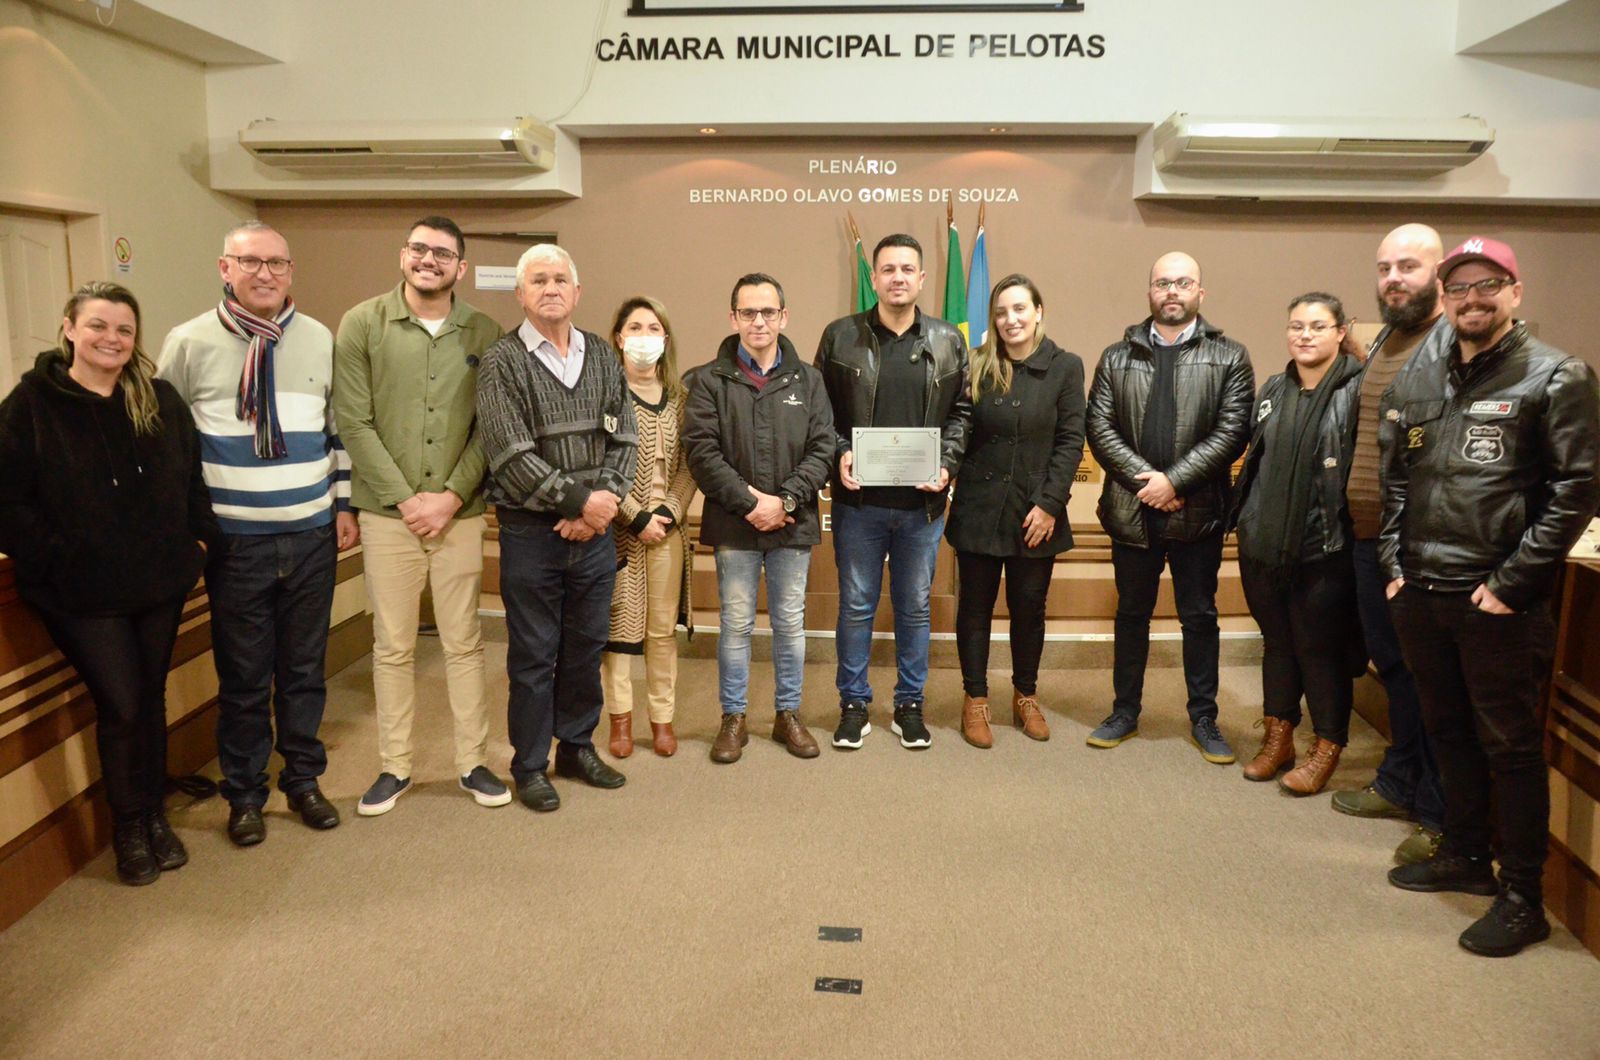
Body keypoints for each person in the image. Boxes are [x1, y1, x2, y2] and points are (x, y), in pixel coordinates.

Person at [1381, 237, 1600, 957]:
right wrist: (1395, 563)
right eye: (1460, 289)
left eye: (1488, 286)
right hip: (1424, 590)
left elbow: (1576, 492)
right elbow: (1398, 480)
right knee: (1449, 732)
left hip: (1496, 600)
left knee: (1509, 748)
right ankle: (1468, 856)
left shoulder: (1556, 376)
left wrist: (1510, 584)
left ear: (1515, 292)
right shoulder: (1423, 376)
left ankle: (1524, 897)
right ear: (1446, 297)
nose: (1472, 299)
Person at [0, 283, 219, 885]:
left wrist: (196, 547)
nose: (112, 339)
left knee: (148, 698)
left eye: (124, 330)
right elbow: (9, 502)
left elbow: (192, 481)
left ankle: (153, 817)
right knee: (122, 704)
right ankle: (128, 824)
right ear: (69, 328)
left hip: (158, 584)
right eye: (98, 326)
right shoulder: (31, 406)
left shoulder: (159, 400)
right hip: (80, 595)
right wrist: (57, 558)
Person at [158, 221, 356, 847]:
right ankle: (244, 794)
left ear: (291, 271)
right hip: (235, 541)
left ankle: (302, 780)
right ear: (225, 268)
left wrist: (344, 506)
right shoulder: (188, 342)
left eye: (276, 263)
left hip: (310, 535)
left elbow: (337, 430)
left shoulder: (320, 338)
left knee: (303, 671)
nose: (265, 274)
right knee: (243, 680)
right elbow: (167, 444)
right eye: (251, 263)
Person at [333, 216, 509, 817]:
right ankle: (395, 766)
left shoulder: (485, 332)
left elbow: (493, 427)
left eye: (442, 253)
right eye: (418, 248)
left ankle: (472, 762)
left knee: (465, 643)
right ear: (402, 255)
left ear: (460, 266)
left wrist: (452, 497)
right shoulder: (362, 324)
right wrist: (409, 502)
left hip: (459, 516)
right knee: (393, 646)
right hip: (388, 517)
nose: (428, 259)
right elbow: (354, 423)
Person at [476, 243, 637, 812]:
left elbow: (627, 440)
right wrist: (578, 503)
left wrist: (602, 505)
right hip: (531, 536)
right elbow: (509, 453)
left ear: (577, 291)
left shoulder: (600, 355)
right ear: (520, 294)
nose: (550, 288)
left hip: (592, 538)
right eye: (538, 280)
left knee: (584, 649)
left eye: (560, 279)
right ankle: (528, 764)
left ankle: (575, 746)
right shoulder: (501, 361)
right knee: (534, 654)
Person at [1084, 252, 1254, 763]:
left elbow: (1233, 431)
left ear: (1201, 292)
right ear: (1150, 292)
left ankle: (1204, 717)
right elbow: (1100, 427)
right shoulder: (1117, 356)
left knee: (1199, 617)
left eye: (1183, 282)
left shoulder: (1230, 356)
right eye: (1163, 283)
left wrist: (1174, 481)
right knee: (1131, 615)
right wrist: (1149, 484)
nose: (1172, 291)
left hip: (1198, 512)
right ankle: (1124, 712)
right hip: (1131, 512)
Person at [815, 234, 971, 750]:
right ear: (875, 278)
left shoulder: (949, 340)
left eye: (907, 269)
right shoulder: (840, 337)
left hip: (922, 508)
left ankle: (909, 705)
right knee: (856, 605)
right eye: (888, 269)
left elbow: (962, 413)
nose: (898, 277)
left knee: (914, 608)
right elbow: (823, 414)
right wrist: (840, 452)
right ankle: (854, 704)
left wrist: (947, 464)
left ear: (922, 279)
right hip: (859, 504)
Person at [1329, 224, 1451, 863]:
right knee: (1394, 668)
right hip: (1368, 535)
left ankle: (1440, 814)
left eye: (1408, 265)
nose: (1393, 278)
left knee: (1431, 680)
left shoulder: (1455, 344)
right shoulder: (1386, 343)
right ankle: (1401, 778)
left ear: (1439, 271)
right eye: (1383, 268)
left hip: (1423, 546)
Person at [684, 274, 834, 764]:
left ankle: (788, 714)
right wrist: (750, 504)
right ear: (734, 319)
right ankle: (734, 717)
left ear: (783, 317)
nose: (759, 321)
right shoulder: (707, 380)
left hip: (793, 524)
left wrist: (784, 502)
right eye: (748, 313)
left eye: (768, 312)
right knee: (736, 625)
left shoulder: (809, 380)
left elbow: (823, 448)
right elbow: (702, 452)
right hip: (734, 524)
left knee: (790, 624)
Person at [944, 275, 1085, 748]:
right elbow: (959, 430)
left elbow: (1070, 441)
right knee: (976, 609)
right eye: (1002, 312)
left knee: (1029, 609)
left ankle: (1025, 695)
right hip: (979, 510)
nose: (1011, 320)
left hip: (1035, 512)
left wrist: (1050, 504)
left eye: (1020, 309)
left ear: (1039, 311)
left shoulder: (1065, 367)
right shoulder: (977, 364)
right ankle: (975, 699)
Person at [1232, 293, 1364, 794]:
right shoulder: (1273, 388)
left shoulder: (1356, 390)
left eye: (1316, 326)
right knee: (1279, 644)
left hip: (1322, 549)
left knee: (1318, 649)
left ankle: (1326, 746)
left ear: (1338, 331)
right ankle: (1278, 736)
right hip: (1264, 545)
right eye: (1296, 326)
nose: (1305, 335)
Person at [601, 296, 697, 759]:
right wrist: (635, 515)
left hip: (668, 531)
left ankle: (662, 720)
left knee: (661, 632)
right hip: (617, 529)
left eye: (653, 327)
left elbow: (690, 467)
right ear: (619, 338)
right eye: (634, 327)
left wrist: (670, 512)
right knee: (617, 631)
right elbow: (598, 466)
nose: (644, 336)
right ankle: (620, 722)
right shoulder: (604, 396)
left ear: (666, 338)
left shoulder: (682, 400)